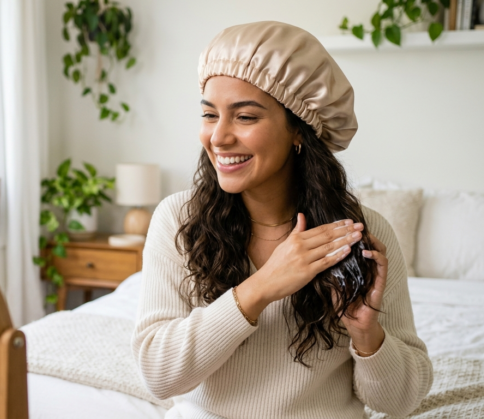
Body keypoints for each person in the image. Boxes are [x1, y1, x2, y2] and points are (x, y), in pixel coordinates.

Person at [131, 21, 433, 419]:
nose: (218, 137)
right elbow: (158, 376)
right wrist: (261, 288)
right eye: (209, 114)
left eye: (245, 117)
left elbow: (401, 402)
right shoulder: (178, 220)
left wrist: (366, 334)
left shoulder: (364, 233)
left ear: (299, 131)